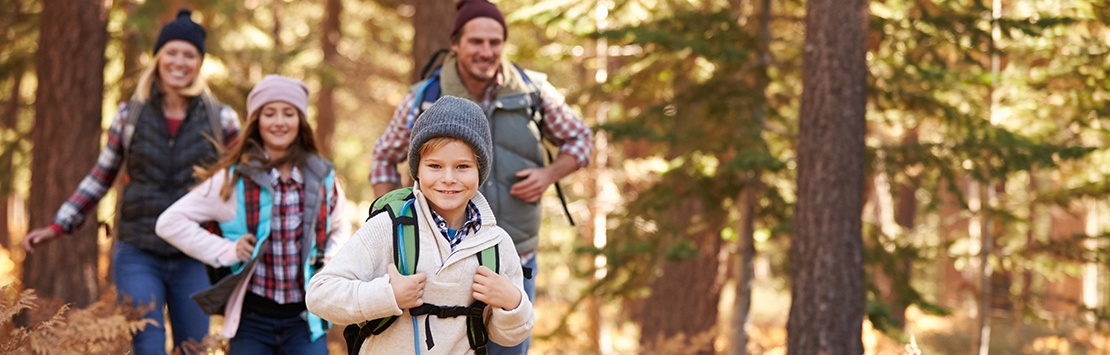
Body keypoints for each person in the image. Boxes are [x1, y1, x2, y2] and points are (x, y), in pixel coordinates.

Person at [369, 1, 593, 353]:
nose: (486, 52)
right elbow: (383, 157)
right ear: (455, 43)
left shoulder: (533, 92)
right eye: (476, 42)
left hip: (512, 260)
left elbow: (581, 138)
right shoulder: (424, 99)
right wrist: (391, 217)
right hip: (435, 269)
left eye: (495, 42)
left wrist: (548, 174)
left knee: (510, 346)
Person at [21, 9, 240, 355]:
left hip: (195, 254)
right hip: (139, 251)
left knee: (193, 348)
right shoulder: (130, 115)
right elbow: (100, 177)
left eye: (189, 55)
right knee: (148, 343)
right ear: (158, 57)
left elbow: (241, 185)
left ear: (200, 63)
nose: (179, 62)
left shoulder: (221, 119)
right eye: (172, 52)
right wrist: (58, 226)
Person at [310, 96, 534, 354]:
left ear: (480, 170)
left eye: (462, 166)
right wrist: (388, 296)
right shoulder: (389, 228)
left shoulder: (496, 244)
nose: (448, 179)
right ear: (417, 169)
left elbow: (509, 337)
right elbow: (320, 294)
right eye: (435, 166)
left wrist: (512, 303)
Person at [155, 74, 348, 354]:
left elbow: (340, 227)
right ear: (256, 122)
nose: (279, 122)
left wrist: (330, 258)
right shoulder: (233, 181)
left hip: (306, 319)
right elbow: (169, 223)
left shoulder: (321, 177)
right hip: (251, 321)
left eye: (288, 113)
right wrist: (227, 249)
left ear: (300, 121)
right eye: (269, 113)